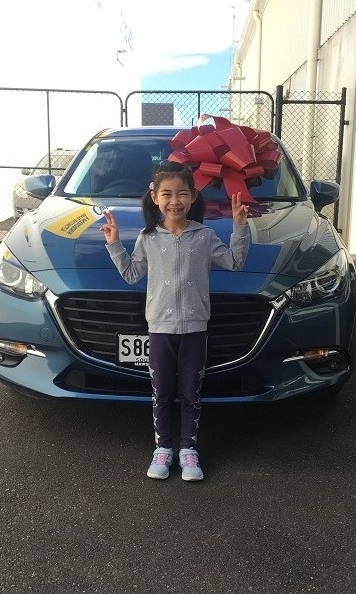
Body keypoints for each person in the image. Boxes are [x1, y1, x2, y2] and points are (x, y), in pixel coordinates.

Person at [100, 160, 250, 481]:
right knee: (162, 393)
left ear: (193, 196)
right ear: (155, 197)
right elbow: (131, 274)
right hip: (160, 330)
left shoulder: (205, 236)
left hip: (195, 329)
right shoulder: (148, 238)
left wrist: (240, 228)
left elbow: (235, 262)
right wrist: (114, 243)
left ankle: (188, 449)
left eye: (182, 193)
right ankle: (163, 448)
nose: (175, 201)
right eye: (167, 194)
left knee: (191, 393)